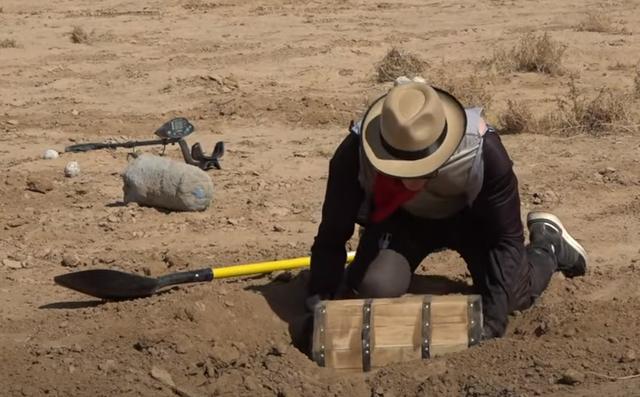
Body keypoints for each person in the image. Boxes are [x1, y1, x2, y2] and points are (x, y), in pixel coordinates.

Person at [306, 78, 588, 338]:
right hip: (404, 221)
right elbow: (333, 232)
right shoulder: (353, 154)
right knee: (373, 286)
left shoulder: (484, 151)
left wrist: (492, 322)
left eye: (424, 168)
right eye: (400, 168)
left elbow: (506, 238)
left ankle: (548, 245)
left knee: (513, 297)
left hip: (472, 222)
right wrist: (320, 299)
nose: (412, 178)